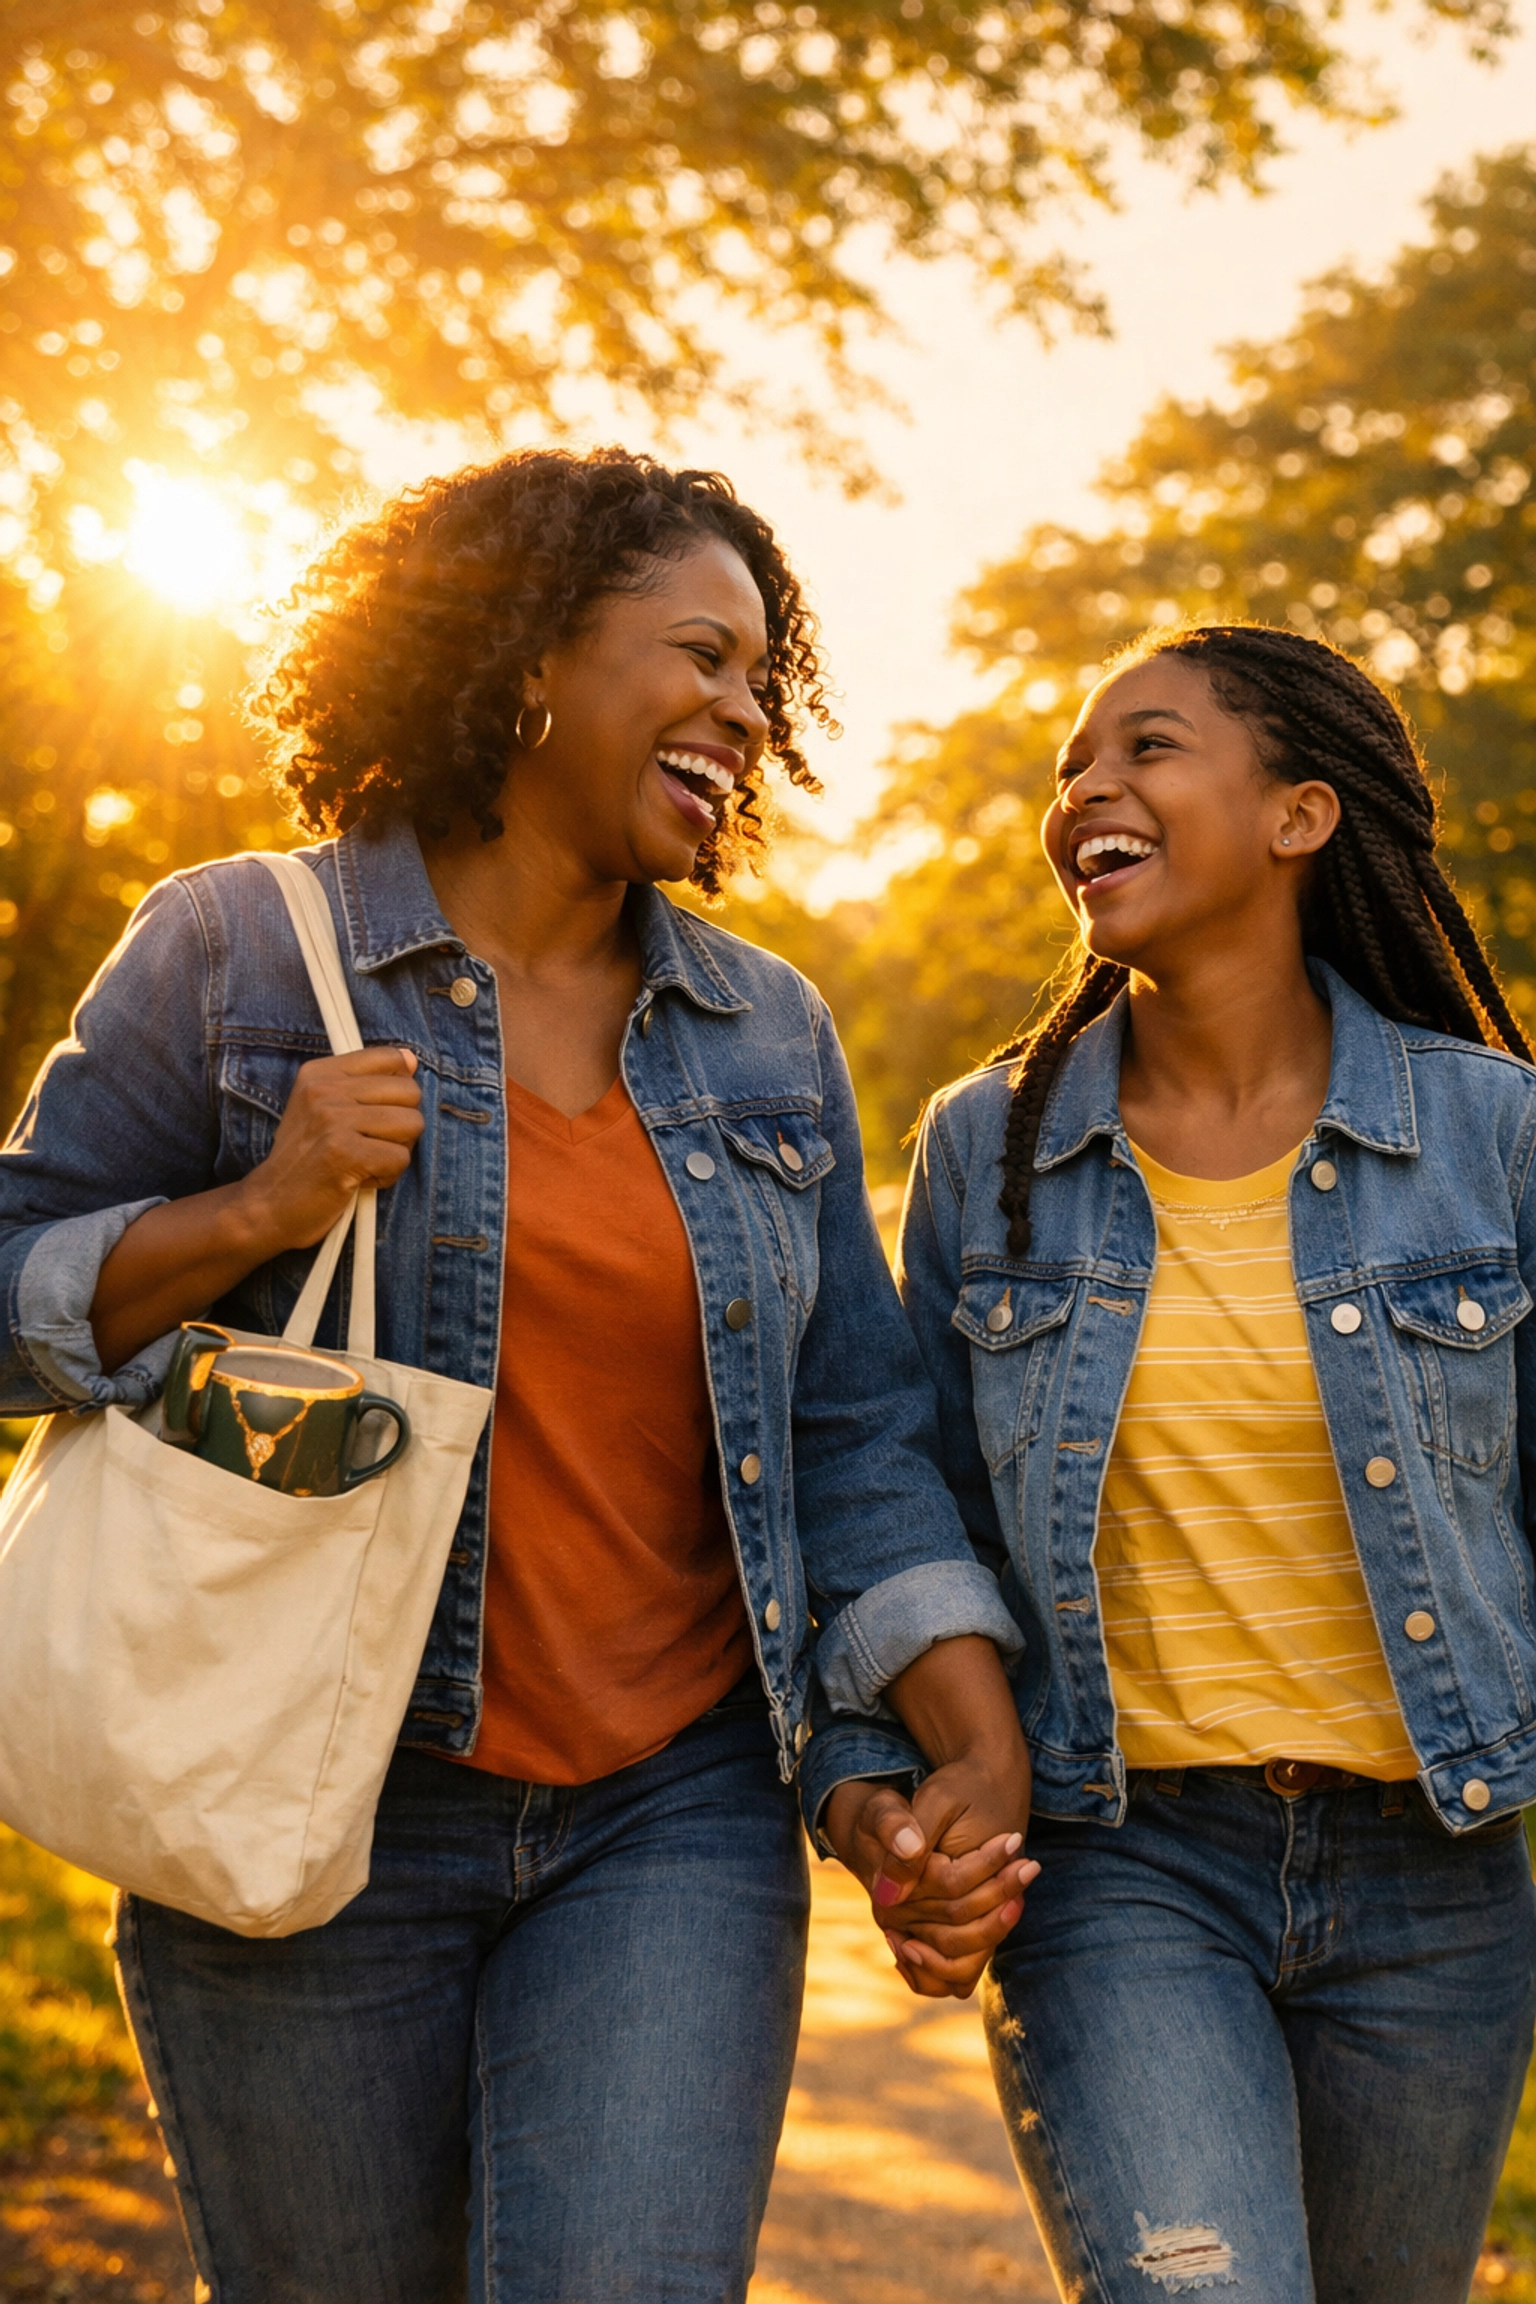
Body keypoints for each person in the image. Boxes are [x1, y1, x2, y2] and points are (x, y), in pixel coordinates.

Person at [0, 448, 1033, 2304]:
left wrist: (963, 1742)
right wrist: (259, 1205)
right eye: (702, 655)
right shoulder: (238, 951)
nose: (746, 713)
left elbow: (851, 1431)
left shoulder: (763, 1029)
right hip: (300, 1787)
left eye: (764, 680)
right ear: (533, 650)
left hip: (671, 1807)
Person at [832, 621, 1536, 2300]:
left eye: (1145, 747)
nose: (1086, 789)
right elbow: (896, 1492)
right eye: (1071, 767)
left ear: (1300, 814)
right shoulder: (990, 1149)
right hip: (1126, 1864)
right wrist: (886, 1784)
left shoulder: (1494, 1134)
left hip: (1435, 1881)